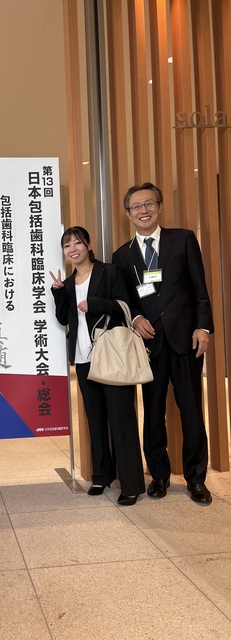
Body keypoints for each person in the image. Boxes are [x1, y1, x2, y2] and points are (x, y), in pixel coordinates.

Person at [113, 182, 213, 504]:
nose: (143, 210)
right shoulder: (122, 256)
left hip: (186, 340)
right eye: (136, 206)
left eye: (148, 204)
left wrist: (203, 327)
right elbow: (124, 300)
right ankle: (158, 475)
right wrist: (135, 319)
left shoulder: (183, 239)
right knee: (153, 413)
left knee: (192, 412)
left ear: (159, 207)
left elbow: (199, 288)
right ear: (128, 213)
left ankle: (196, 479)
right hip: (150, 345)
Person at [50, 226, 145, 506]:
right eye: (67, 245)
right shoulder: (68, 283)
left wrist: (94, 303)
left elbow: (124, 306)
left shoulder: (109, 272)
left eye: (77, 243)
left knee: (121, 418)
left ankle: (131, 483)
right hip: (83, 359)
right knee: (95, 419)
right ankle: (102, 476)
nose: (73, 249)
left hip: (111, 356)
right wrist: (58, 293)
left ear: (89, 245)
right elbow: (63, 319)